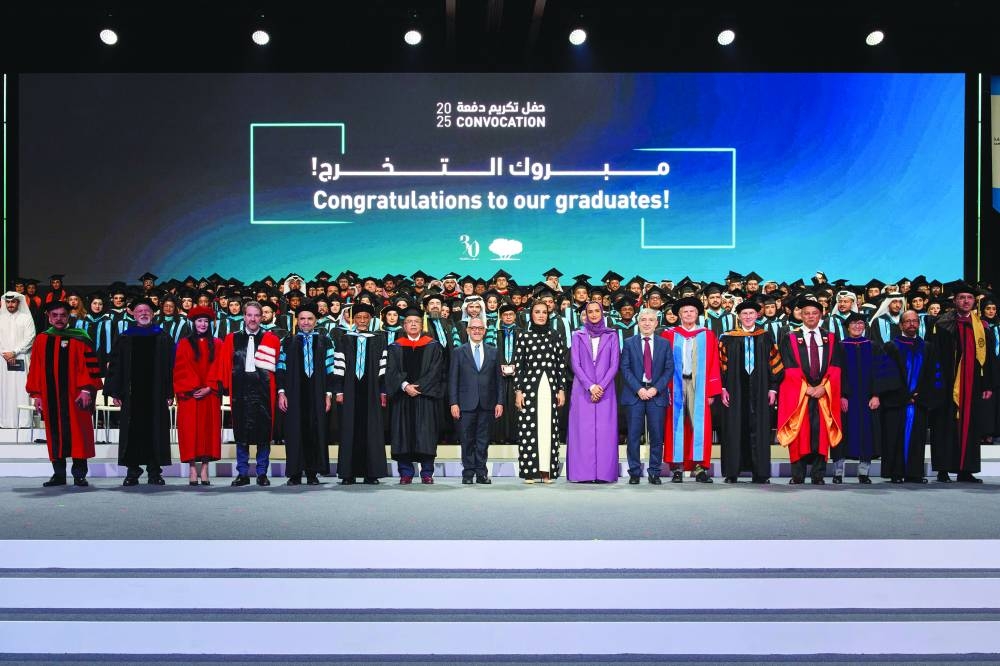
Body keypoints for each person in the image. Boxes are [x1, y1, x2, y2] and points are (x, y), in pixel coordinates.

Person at [24, 301, 102, 487]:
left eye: (63, 315)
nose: (59, 319)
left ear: (68, 317)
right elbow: (35, 368)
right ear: (49, 317)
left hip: (76, 396)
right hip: (51, 397)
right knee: (54, 434)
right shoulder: (42, 339)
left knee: (78, 434)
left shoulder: (80, 338)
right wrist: (37, 395)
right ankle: (58, 475)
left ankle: (79, 475)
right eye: (55, 315)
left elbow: (90, 366)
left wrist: (86, 390)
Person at [928, 283, 997, 483]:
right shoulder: (942, 325)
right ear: (955, 301)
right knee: (944, 425)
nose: (966, 301)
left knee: (970, 427)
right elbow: (933, 356)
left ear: (974, 302)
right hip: (947, 384)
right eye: (962, 298)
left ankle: (966, 470)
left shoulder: (982, 327)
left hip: (972, 384)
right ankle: (942, 469)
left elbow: (989, 359)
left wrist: (987, 385)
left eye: (969, 298)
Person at [104, 298, 175, 486]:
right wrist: (115, 393)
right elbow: (116, 366)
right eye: (139, 311)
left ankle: (154, 472)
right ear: (133, 315)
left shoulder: (163, 337)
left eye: (147, 311)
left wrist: (170, 392)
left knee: (155, 431)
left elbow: (171, 367)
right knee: (132, 432)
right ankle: (132, 472)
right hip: (131, 395)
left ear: (153, 314)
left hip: (156, 394)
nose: (143, 314)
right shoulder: (125, 338)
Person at [776, 298, 845, 484]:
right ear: (801, 315)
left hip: (823, 392)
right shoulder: (790, 337)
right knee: (799, 431)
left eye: (814, 313)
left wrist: (824, 387)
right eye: (806, 313)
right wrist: (805, 387)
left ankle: (818, 475)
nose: (811, 316)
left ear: (821, 315)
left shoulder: (831, 338)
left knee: (821, 433)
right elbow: (788, 366)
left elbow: (836, 366)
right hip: (801, 392)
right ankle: (797, 475)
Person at [215, 301, 280, 487]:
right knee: (241, 433)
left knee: (264, 432)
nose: (253, 319)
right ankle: (242, 473)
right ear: (244, 316)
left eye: (256, 315)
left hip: (264, 391)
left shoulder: (271, 339)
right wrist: (225, 388)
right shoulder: (231, 338)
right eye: (249, 315)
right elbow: (225, 364)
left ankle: (262, 473)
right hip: (240, 390)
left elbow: (277, 366)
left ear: (262, 317)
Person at [718, 300, 783, 484]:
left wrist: (773, 388)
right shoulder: (727, 338)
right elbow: (720, 364)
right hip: (734, 390)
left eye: (751, 313)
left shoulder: (766, 337)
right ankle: (732, 472)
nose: (748, 317)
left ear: (757, 315)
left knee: (760, 428)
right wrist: (722, 388)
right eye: (744, 314)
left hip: (760, 390)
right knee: (733, 428)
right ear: (739, 316)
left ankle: (760, 473)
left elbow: (775, 364)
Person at [660, 296, 722, 483]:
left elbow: (714, 364)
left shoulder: (707, 335)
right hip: (675, 385)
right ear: (679, 315)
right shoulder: (669, 335)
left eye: (692, 311)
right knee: (675, 424)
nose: (688, 314)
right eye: (685, 311)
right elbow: (662, 364)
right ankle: (677, 468)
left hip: (700, 386)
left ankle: (700, 467)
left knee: (699, 425)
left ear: (697, 314)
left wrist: (711, 391)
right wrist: (664, 388)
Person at [276, 303, 336, 485]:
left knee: (315, 431)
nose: (306, 322)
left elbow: (330, 369)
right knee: (294, 432)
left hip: (317, 392)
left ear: (315, 321)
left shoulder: (325, 341)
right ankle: (295, 473)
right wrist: (281, 392)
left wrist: (328, 394)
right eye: (302, 318)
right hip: (294, 393)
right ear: (297, 320)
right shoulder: (287, 342)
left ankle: (312, 472)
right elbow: (281, 368)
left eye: (310, 318)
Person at [386, 307, 446, 484]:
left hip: (424, 397)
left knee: (426, 435)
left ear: (422, 325)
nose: (413, 325)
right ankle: (406, 473)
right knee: (402, 435)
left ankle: (427, 473)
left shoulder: (433, 345)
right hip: (402, 398)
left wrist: (417, 387)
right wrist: (405, 386)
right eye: (409, 322)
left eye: (416, 322)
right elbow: (391, 370)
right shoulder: (395, 347)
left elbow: (436, 371)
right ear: (404, 326)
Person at [881, 310, 941, 483]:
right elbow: (887, 375)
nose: (912, 324)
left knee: (917, 438)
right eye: (907, 321)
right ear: (901, 325)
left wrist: (920, 395)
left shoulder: (927, 347)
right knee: (895, 437)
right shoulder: (891, 346)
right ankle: (896, 473)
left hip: (918, 402)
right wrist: (904, 396)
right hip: (897, 402)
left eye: (915, 321)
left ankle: (914, 473)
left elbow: (933, 375)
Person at [332, 302, 389, 485]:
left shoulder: (379, 339)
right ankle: (348, 473)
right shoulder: (344, 338)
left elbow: (383, 367)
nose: (362, 321)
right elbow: (339, 365)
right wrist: (338, 390)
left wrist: (383, 391)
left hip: (372, 390)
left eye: (366, 317)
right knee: (349, 430)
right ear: (353, 319)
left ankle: (371, 474)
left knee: (372, 430)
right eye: (358, 317)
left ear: (371, 319)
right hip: (349, 390)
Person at [513, 301, 567, 483]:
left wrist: (561, 389)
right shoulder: (524, 336)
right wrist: (518, 391)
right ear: (531, 315)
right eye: (537, 312)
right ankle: (530, 471)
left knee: (548, 429)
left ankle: (546, 472)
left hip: (550, 389)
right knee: (529, 429)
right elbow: (519, 365)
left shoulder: (555, 335)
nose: (541, 315)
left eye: (544, 312)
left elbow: (560, 365)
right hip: (529, 389)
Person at [567, 302, 620, 483]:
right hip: (583, 390)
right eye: (590, 311)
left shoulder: (612, 335)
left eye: (597, 311)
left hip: (606, 390)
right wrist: (590, 386)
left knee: (605, 432)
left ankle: (604, 474)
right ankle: (583, 474)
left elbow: (614, 364)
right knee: (582, 432)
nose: (594, 314)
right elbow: (575, 364)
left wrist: (600, 386)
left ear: (602, 313)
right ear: (586, 315)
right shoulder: (578, 335)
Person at [620, 308, 674, 484]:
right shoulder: (629, 343)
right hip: (635, 394)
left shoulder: (664, 344)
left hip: (656, 395)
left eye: (651, 320)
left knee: (657, 436)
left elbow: (669, 369)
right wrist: (639, 389)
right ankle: (634, 472)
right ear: (638, 322)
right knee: (633, 436)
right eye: (643, 319)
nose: (647, 323)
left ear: (656, 323)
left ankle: (654, 472)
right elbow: (624, 368)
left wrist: (655, 389)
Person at [448, 316, 504, 484]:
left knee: (483, 441)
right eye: (473, 328)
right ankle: (467, 474)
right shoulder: (459, 352)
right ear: (468, 330)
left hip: (487, 403)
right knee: (467, 440)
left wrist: (500, 402)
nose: (477, 331)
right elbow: (453, 379)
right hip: (465, 404)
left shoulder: (493, 351)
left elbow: (499, 380)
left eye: (480, 328)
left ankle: (481, 473)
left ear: (485, 331)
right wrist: (453, 403)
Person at [173, 306, 223, 486]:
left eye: (206, 321)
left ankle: (205, 469)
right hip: (190, 395)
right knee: (190, 432)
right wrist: (193, 387)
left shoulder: (218, 344)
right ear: (193, 323)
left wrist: (209, 387)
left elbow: (220, 368)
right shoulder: (184, 344)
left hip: (210, 395)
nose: (203, 324)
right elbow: (181, 369)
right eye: (199, 321)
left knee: (207, 432)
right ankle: (192, 469)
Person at [831, 312, 882, 484]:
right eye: (853, 323)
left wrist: (876, 395)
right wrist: (841, 396)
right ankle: (838, 473)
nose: (857, 326)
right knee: (842, 434)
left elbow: (879, 372)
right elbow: (836, 374)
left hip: (867, 399)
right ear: (847, 327)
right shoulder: (839, 347)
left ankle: (864, 472)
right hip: (847, 399)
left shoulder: (873, 346)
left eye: (860, 323)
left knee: (866, 434)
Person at [1, 292, 36, 428]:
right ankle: (5, 422)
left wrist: (14, 352)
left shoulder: (26, 318)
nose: (10, 304)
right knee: (5, 390)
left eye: (13, 302)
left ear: (18, 302)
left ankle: (24, 422)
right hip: (3, 359)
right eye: (8, 302)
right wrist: (5, 353)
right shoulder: (1, 318)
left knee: (21, 389)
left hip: (21, 357)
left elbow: (30, 338)